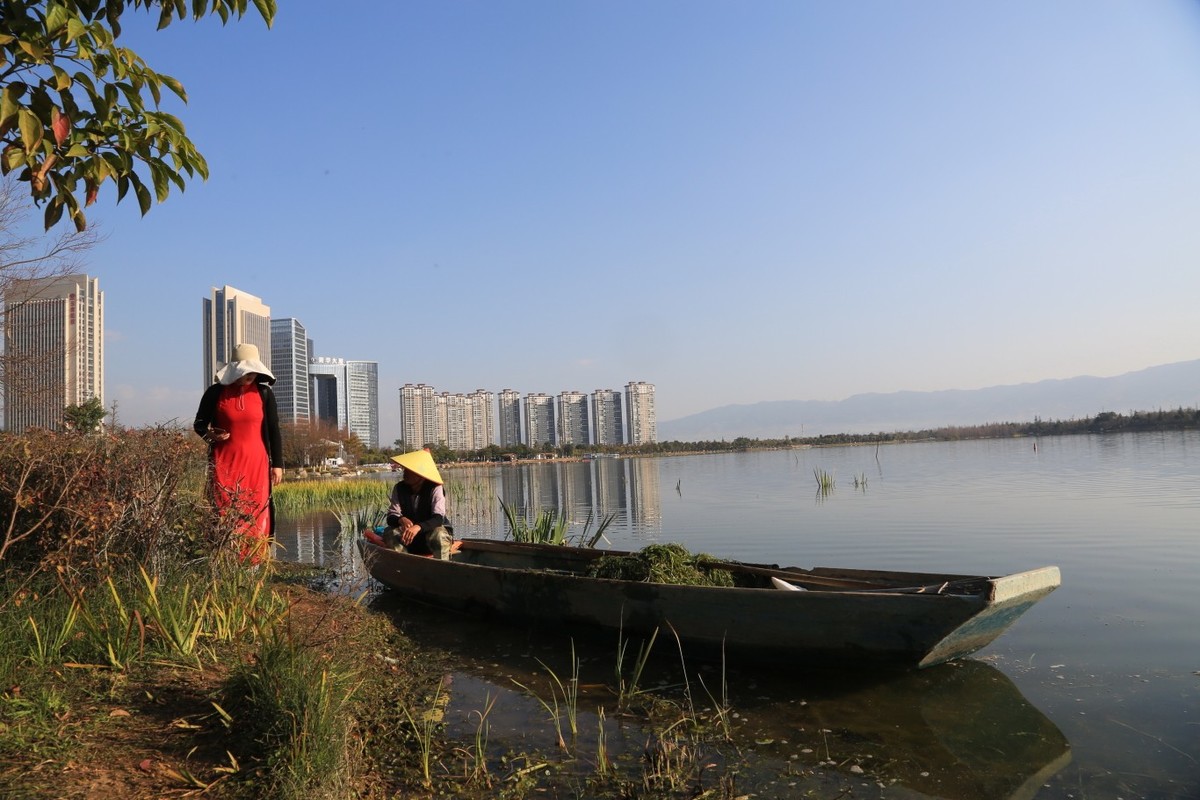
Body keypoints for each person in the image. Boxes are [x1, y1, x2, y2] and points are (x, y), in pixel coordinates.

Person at [193, 343, 284, 565]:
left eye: (254, 372)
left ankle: (253, 561)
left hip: (257, 463)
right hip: (224, 461)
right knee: (223, 508)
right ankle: (225, 558)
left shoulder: (264, 393)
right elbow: (199, 424)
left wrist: (278, 465)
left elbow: (274, 430)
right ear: (235, 370)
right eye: (246, 371)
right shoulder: (215, 393)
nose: (250, 376)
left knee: (256, 509)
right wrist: (210, 436)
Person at [384, 449, 454, 559]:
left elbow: (438, 518)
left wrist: (418, 527)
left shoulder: (435, 488)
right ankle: (407, 564)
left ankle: (442, 568)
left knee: (439, 535)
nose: (405, 473)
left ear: (421, 475)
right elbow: (391, 516)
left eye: (409, 470)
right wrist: (400, 519)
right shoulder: (399, 488)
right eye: (405, 469)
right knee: (390, 533)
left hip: (430, 536)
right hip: (409, 539)